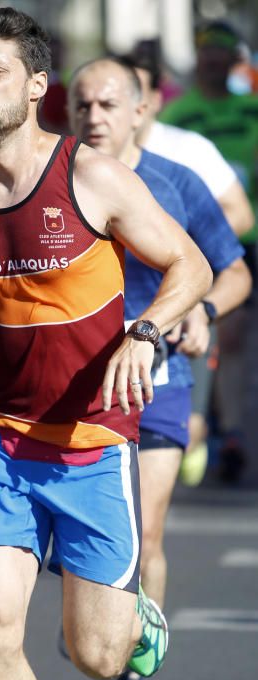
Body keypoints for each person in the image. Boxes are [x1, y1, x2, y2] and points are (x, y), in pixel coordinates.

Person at [0, 8, 212, 680]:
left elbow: (191, 267)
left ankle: (130, 620)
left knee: (96, 657)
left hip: (92, 444)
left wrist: (142, 334)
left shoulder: (91, 178)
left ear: (35, 85)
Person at [67, 56, 251, 680]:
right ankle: (93, 614)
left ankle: (133, 669)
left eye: (109, 104)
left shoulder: (176, 184)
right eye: (82, 104)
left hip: (159, 378)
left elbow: (233, 271)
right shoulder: (50, 186)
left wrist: (201, 310)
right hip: (73, 388)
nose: (94, 116)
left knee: (144, 532)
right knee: (79, 538)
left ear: (141, 112)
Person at [124, 44, 255, 485]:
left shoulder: (185, 150)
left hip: (184, 298)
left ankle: (198, 434)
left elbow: (237, 215)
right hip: (114, 323)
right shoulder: (81, 159)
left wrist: (181, 251)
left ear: (153, 100)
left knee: (202, 385)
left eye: (134, 93)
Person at [160, 20, 258, 482]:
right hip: (209, 241)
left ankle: (217, 423)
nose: (214, 64)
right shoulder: (180, 116)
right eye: (207, 57)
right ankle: (218, 430)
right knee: (227, 332)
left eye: (222, 56)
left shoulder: (252, 110)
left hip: (250, 233)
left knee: (232, 339)